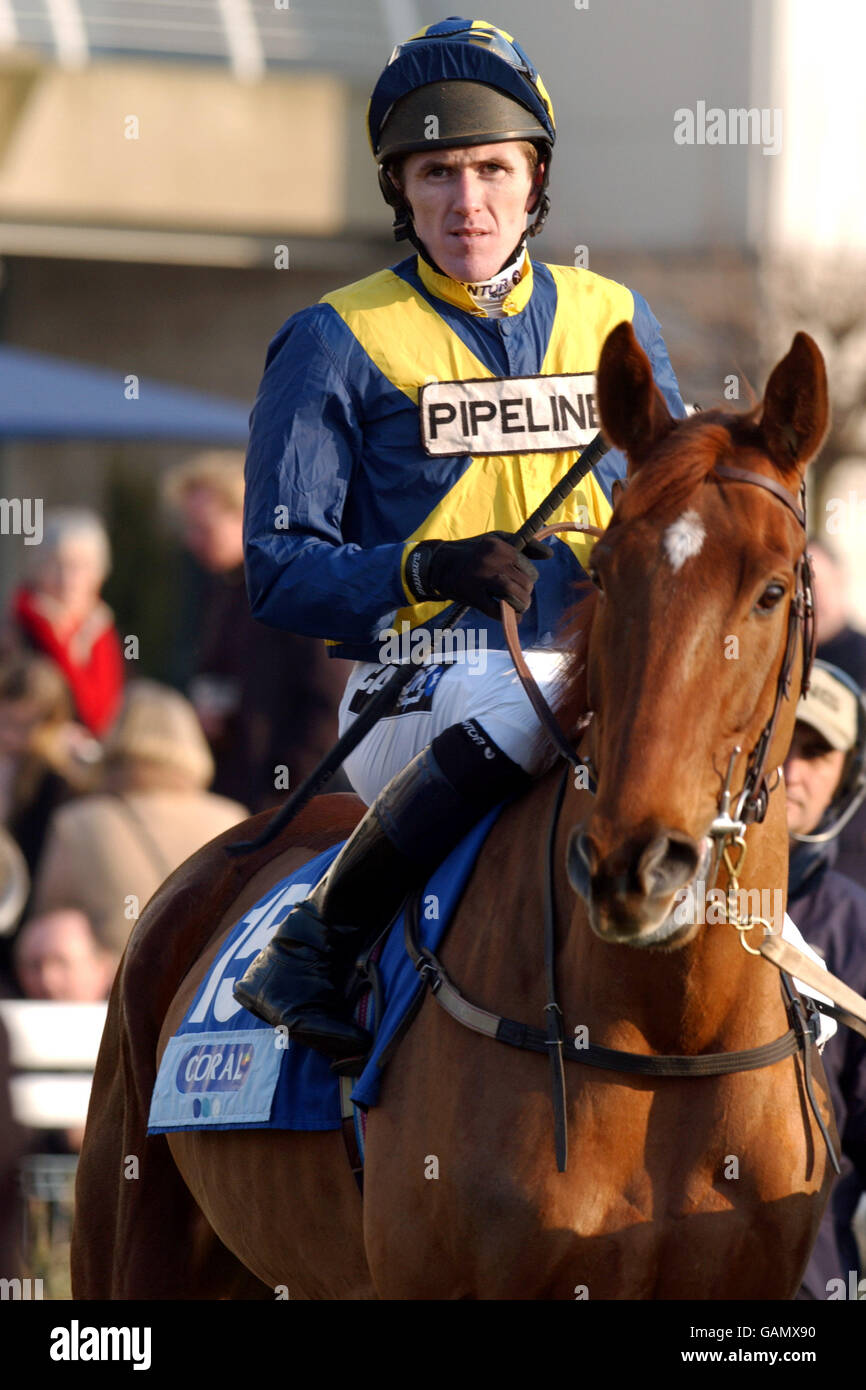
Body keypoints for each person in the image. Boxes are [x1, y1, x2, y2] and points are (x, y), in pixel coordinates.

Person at [234, 17, 688, 1060]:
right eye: (435, 172)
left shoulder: (616, 316)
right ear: (399, 189)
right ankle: (312, 943)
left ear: (536, 179)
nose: (466, 201)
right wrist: (427, 567)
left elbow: (667, 511)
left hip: (598, 673)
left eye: (492, 168)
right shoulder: (329, 339)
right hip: (415, 682)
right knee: (524, 704)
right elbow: (277, 568)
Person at [163, 452, 349, 810]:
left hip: (283, 801)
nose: (191, 540)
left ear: (244, 516)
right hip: (236, 788)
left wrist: (286, 790)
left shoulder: (291, 587)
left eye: (203, 528)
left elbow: (328, 700)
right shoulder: (221, 587)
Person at [31, 680, 248, 956]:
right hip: (208, 979)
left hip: (115, 980)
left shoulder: (76, 822)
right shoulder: (233, 820)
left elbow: (46, 930)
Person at [783, 660, 866, 1299]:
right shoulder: (646, 902)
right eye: (778, 739)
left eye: (815, 752)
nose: (790, 769)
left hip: (804, 1276)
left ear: (848, 780)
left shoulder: (855, 925)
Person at [5, 508, 124, 738]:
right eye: (57, 565)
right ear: (38, 569)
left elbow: (106, 715)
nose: (67, 580)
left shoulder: (102, 632)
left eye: (81, 567)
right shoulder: (14, 631)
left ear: (99, 574)